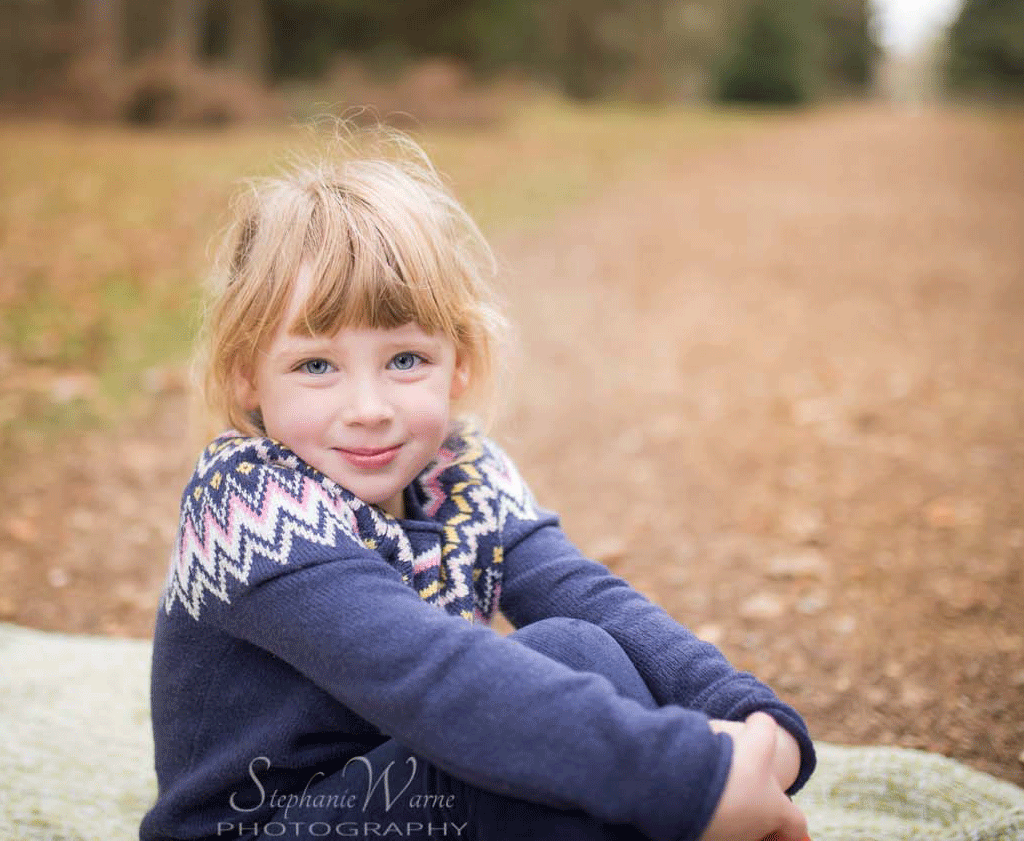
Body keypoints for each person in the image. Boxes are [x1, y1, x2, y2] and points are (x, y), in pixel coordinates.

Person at [140, 129, 816, 841]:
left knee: (580, 654)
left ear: (458, 362)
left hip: (413, 794)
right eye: (316, 366)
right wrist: (695, 776)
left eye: (405, 359)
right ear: (247, 377)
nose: (368, 408)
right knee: (558, 695)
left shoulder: (461, 472)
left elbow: (587, 595)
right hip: (268, 826)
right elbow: (433, 676)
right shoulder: (246, 506)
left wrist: (749, 719)